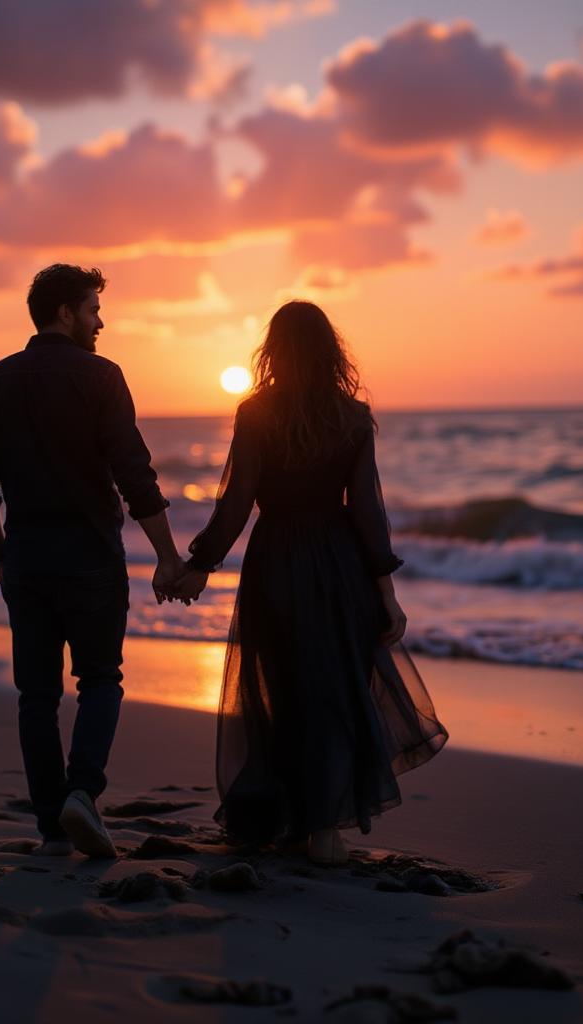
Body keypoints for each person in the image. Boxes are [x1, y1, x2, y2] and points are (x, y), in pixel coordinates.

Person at [173, 301, 448, 865]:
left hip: (276, 562)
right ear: (330, 350)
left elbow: (237, 501)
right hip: (339, 563)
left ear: (273, 350)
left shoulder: (256, 413)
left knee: (284, 693)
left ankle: (297, 823)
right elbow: (368, 509)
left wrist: (200, 564)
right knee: (336, 694)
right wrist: (385, 591)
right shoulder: (351, 415)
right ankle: (323, 830)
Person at [0, 264, 183, 858]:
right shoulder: (102, 377)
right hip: (90, 560)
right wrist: (168, 558)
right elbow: (136, 476)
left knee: (36, 695)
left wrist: (3, 558)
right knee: (101, 679)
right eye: (92, 309)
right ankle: (82, 792)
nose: (99, 321)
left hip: (27, 561)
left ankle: (51, 826)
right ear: (65, 313)